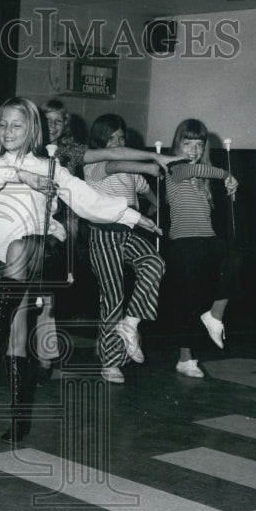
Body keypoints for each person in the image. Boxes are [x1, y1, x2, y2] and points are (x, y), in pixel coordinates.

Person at [0, 97, 162, 444]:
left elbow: (88, 200)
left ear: (32, 129)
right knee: (18, 335)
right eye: (3, 124)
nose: (8, 131)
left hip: (48, 250)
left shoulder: (52, 166)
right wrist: (25, 176)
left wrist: (133, 216)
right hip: (13, 269)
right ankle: (18, 418)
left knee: (20, 249)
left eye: (17, 125)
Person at [83, 113, 170, 384]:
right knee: (113, 296)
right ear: (100, 141)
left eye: (121, 138)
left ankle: (130, 324)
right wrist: (148, 164)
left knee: (155, 263)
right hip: (104, 235)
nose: (118, 142)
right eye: (112, 139)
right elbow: (115, 163)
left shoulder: (131, 171)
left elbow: (143, 189)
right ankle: (111, 362)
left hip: (129, 232)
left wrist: (156, 203)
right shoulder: (94, 167)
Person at [164, 118, 239, 378]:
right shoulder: (173, 167)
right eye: (187, 143)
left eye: (199, 144)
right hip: (183, 242)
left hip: (207, 238)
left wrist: (228, 186)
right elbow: (188, 172)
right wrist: (227, 175)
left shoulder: (203, 177)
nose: (193, 150)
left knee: (234, 258)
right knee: (189, 300)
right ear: (177, 144)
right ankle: (186, 359)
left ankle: (215, 316)